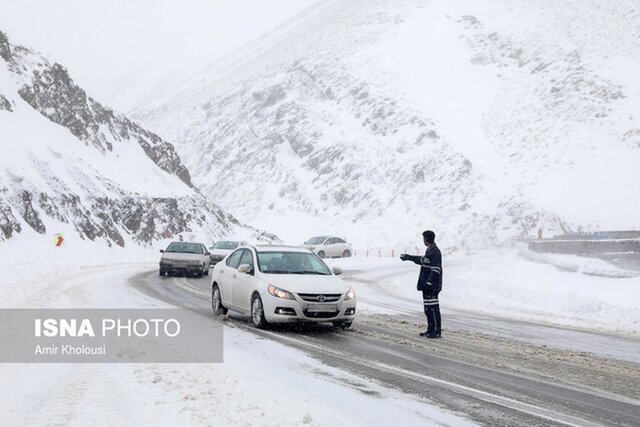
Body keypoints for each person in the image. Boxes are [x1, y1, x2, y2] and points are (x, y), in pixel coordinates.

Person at [400, 230, 442, 338]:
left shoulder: (435, 252)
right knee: (427, 309)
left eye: (424, 238)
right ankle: (430, 329)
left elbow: (436, 269)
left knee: (433, 309)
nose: (423, 240)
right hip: (427, 286)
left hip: (432, 286)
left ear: (426, 240)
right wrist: (409, 257)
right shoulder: (430, 251)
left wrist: (429, 282)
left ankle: (436, 331)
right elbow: (422, 260)